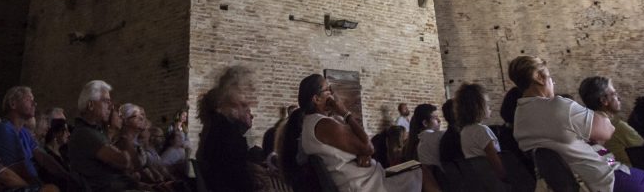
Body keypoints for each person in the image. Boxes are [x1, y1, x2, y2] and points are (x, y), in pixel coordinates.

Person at [509, 55, 644, 192]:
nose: (552, 83)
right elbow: (606, 132)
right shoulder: (558, 106)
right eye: (550, 78)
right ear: (539, 77)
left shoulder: (519, 117)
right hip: (602, 178)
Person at [279, 73, 420, 192]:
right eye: (328, 89)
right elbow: (369, 147)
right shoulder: (322, 124)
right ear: (316, 99)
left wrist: (362, 152)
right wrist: (345, 112)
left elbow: (360, 146)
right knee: (421, 169)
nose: (333, 94)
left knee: (413, 165)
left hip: (366, 177)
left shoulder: (317, 122)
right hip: (366, 184)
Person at [196, 64, 274, 191]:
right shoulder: (226, 130)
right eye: (244, 104)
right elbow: (236, 175)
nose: (248, 107)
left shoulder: (218, 124)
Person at [0, 86, 70, 187]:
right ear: (13, 104)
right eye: (28, 99)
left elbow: (44, 158)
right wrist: (40, 187)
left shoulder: (23, 132)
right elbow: (20, 169)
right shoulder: (5, 130)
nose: (34, 103)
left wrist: (67, 176)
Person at [68, 79, 132, 192]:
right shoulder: (85, 133)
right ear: (91, 105)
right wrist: (126, 133)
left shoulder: (95, 131)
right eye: (106, 101)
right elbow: (123, 161)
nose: (110, 107)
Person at [579, 76, 644, 167]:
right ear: (604, 101)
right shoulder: (618, 127)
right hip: (627, 173)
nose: (619, 98)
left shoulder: (583, 126)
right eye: (614, 94)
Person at [455, 83, 505, 181]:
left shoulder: (464, 131)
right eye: (486, 103)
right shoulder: (482, 130)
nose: (489, 107)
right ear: (478, 106)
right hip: (495, 182)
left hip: (480, 181)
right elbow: (497, 164)